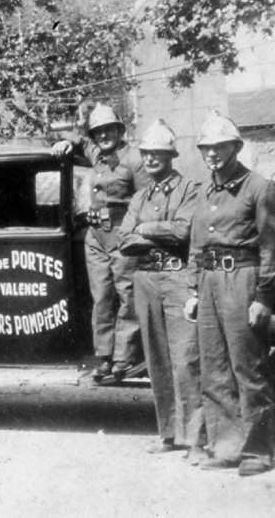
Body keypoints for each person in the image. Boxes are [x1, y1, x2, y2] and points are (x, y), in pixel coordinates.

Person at [184, 112, 275, 476]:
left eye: (220, 146)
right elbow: (196, 243)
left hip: (243, 280)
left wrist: (265, 297)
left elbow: (271, 247)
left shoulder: (258, 187)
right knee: (215, 367)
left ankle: (258, 451)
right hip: (208, 281)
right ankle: (226, 446)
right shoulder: (204, 191)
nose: (212, 153)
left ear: (236, 147)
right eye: (206, 147)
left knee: (248, 367)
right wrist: (193, 289)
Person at [117, 119, 206, 464]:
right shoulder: (140, 195)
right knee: (156, 360)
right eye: (146, 153)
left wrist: (145, 227)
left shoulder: (189, 189)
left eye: (158, 153)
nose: (152, 158)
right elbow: (124, 242)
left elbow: (183, 231)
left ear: (171, 155)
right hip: (146, 281)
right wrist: (151, 232)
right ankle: (168, 434)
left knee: (186, 360)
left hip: (177, 279)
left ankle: (197, 440)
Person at [52, 103, 150, 383]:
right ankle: (104, 357)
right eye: (98, 131)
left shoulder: (134, 159)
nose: (103, 135)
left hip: (122, 232)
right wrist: (64, 141)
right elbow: (78, 139)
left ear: (120, 131)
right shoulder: (95, 153)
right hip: (95, 235)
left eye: (109, 129)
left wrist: (131, 234)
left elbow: (145, 200)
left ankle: (125, 358)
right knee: (102, 297)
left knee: (127, 295)